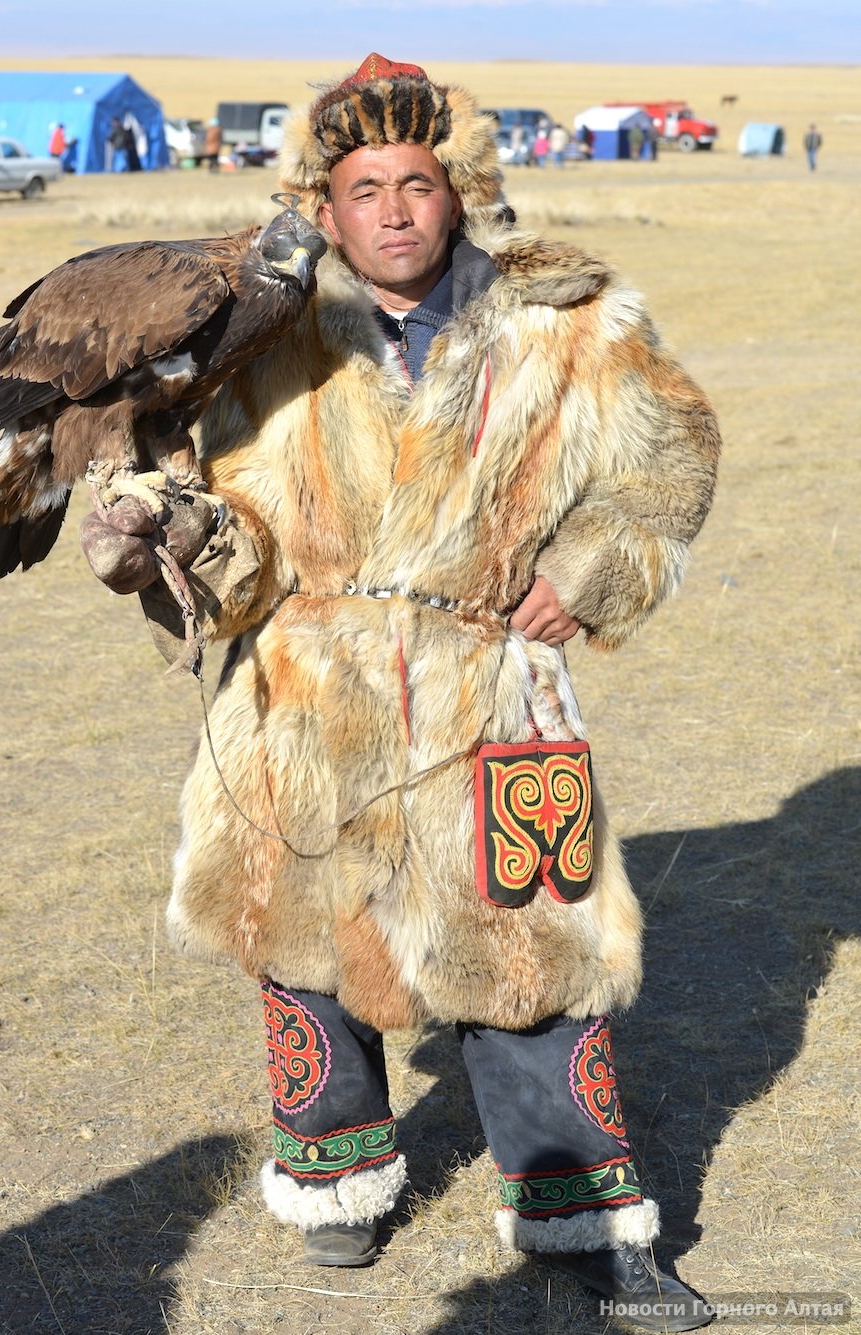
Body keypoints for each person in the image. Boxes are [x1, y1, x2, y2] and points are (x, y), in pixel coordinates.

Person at [80, 54, 720, 1332]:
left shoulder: (574, 323)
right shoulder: (260, 334)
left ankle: (586, 1221)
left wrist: (592, 570)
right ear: (322, 207)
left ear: (457, 190)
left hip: (490, 683)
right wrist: (176, 541)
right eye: (360, 187)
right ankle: (341, 1187)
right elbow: (239, 526)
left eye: (414, 183)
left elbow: (669, 467)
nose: (389, 211)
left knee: (536, 952)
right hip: (303, 688)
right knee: (304, 947)